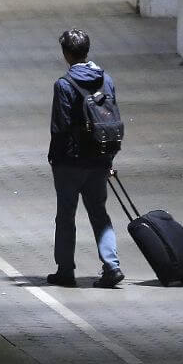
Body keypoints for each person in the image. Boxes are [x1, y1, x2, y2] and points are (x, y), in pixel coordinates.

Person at [46, 29, 124, 288]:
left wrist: (54, 158)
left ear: (66, 54)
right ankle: (112, 266)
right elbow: (111, 119)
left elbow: (60, 127)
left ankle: (66, 271)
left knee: (66, 216)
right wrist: (108, 158)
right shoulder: (107, 79)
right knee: (99, 214)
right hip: (99, 159)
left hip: (70, 162)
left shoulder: (64, 85)